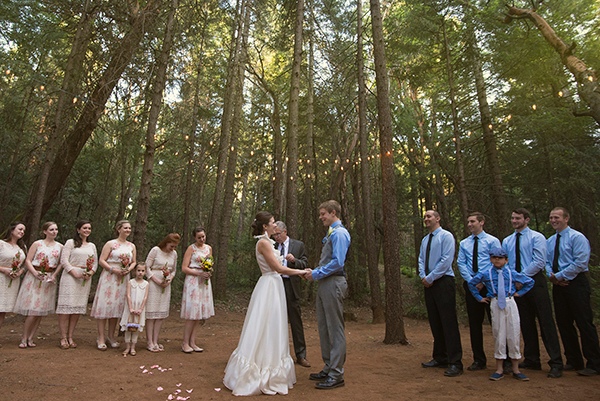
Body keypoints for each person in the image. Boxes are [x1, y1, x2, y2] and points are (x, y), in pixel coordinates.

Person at [223, 211, 306, 396]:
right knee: (263, 325)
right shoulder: (263, 243)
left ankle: (271, 364)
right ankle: (256, 371)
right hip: (269, 285)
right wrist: (300, 272)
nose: (275, 225)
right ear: (265, 226)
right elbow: (277, 268)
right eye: (273, 222)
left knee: (273, 326)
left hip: (274, 286)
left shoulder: (269, 242)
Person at [502, 208, 563, 378]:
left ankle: (556, 362)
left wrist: (522, 278)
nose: (514, 221)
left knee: (545, 322)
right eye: (512, 218)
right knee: (525, 322)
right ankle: (532, 358)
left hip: (535, 282)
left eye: (518, 218)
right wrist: (514, 280)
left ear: (526, 220)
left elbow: (539, 261)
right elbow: (505, 262)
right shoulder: (507, 240)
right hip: (516, 286)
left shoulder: (537, 237)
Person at [546, 207, 600, 376]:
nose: (554, 220)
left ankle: (594, 363)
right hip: (558, 286)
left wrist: (560, 276)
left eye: (557, 217)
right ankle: (573, 359)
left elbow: (581, 262)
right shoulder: (550, 240)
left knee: (584, 322)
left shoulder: (577, 237)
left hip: (576, 283)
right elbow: (547, 262)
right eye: (551, 218)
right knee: (563, 323)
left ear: (566, 218)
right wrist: (552, 276)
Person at [468, 247, 534, 381]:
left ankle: (516, 368)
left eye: (500, 258)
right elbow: (471, 283)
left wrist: (519, 293)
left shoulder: (511, 273)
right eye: (494, 257)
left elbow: (530, 282)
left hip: (510, 302)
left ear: (506, 260)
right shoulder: (486, 273)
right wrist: (479, 297)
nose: (497, 260)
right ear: (491, 259)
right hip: (496, 302)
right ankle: (499, 368)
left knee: (514, 333)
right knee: (499, 333)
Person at [305, 200, 351, 390]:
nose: (321, 217)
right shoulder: (331, 233)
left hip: (334, 283)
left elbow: (338, 262)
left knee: (335, 328)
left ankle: (336, 374)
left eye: (323, 213)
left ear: (333, 213)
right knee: (324, 327)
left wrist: (315, 274)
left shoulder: (340, 233)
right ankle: (328, 366)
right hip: (325, 283)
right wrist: (315, 271)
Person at [418, 210, 463, 377]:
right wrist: (423, 276)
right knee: (435, 321)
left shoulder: (446, 236)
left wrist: (431, 277)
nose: (426, 219)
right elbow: (421, 259)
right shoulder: (425, 239)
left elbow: (446, 260)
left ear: (438, 218)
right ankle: (440, 357)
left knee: (448, 322)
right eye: (425, 217)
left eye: (429, 216)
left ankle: (455, 362)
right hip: (429, 284)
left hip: (443, 282)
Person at [457, 212, 500, 371]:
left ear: (482, 222)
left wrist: (483, 280)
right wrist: (472, 281)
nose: (469, 224)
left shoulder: (492, 241)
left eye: (472, 221)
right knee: (475, 324)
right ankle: (479, 359)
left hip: (490, 286)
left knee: (496, 322)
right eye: (468, 222)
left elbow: (496, 261)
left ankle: (504, 358)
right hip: (471, 286)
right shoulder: (464, 243)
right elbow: (461, 263)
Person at [14, 221, 63, 348]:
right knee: (33, 311)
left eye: (56, 229)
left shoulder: (60, 247)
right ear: (45, 231)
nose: (54, 232)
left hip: (48, 278)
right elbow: (28, 260)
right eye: (51, 229)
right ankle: (24, 337)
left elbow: (61, 263)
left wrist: (54, 275)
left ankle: (31, 338)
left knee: (40, 311)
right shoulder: (37, 244)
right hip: (34, 277)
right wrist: (35, 273)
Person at [90, 220, 136, 351]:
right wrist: (113, 270)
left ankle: (111, 336)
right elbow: (101, 260)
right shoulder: (110, 244)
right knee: (105, 306)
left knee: (116, 308)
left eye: (129, 228)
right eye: (125, 228)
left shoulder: (131, 246)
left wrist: (129, 269)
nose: (128, 230)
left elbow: (133, 262)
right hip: (110, 277)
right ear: (118, 229)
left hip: (124, 276)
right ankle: (101, 337)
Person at [273, 220, 311, 368]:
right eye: (274, 234)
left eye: (278, 234)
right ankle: (276, 355)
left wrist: (294, 261)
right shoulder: (272, 246)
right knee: (275, 320)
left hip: (291, 286)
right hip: (276, 285)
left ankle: (301, 355)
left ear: (285, 232)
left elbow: (305, 263)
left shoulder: (298, 245)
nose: (276, 237)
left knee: (295, 321)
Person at [56, 220, 98, 349]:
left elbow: (95, 262)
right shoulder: (70, 243)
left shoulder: (92, 246)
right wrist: (73, 272)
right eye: (84, 228)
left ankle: (70, 336)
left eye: (89, 228)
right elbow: (64, 260)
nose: (87, 230)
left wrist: (90, 272)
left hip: (84, 278)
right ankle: (63, 337)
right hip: (70, 276)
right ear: (78, 229)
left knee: (76, 309)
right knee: (66, 307)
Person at [180, 227, 214, 353]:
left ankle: (193, 342)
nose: (202, 239)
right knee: (192, 313)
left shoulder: (208, 248)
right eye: (199, 237)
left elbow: (210, 263)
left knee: (198, 314)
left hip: (204, 282)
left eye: (203, 236)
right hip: (193, 282)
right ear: (195, 237)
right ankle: (185, 343)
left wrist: (208, 271)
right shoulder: (191, 248)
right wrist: (197, 273)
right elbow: (184, 268)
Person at [144, 233, 179, 352]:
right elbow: (147, 267)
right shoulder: (155, 250)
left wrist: (169, 279)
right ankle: (149, 341)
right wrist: (156, 280)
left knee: (160, 314)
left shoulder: (174, 254)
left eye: (174, 247)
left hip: (166, 284)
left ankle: (155, 340)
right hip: (154, 283)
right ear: (166, 243)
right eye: (171, 246)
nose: (172, 249)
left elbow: (173, 270)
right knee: (151, 312)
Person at [0, 222, 27, 331]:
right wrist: (4, 270)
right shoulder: (1, 244)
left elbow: (25, 264)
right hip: (1, 277)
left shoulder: (22, 247)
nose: (22, 232)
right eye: (20, 229)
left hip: (12, 281)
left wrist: (20, 272)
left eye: (24, 231)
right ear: (12, 230)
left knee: (2, 310)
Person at [120, 263, 149, 356]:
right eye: (138, 270)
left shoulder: (146, 284)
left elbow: (145, 297)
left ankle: (133, 347)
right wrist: (130, 308)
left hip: (139, 308)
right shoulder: (131, 282)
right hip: (130, 308)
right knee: (128, 328)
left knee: (136, 328)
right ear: (135, 271)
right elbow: (128, 295)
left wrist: (140, 309)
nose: (140, 273)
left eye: (142, 271)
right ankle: (127, 346)